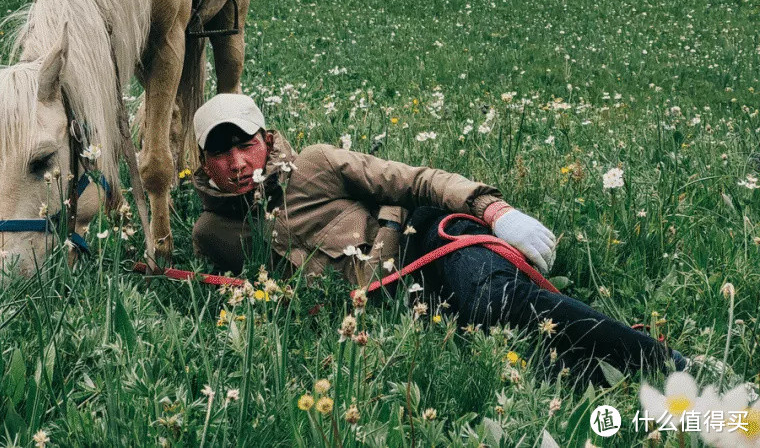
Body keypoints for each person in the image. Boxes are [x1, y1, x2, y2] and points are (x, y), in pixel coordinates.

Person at [190, 93, 686, 383]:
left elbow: (417, 180)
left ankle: (677, 366)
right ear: (203, 161)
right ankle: (618, 384)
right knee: (507, 354)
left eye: (246, 145)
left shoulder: (316, 164)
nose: (237, 163)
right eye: (220, 152)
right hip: (399, 302)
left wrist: (494, 210)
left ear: (267, 140)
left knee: (494, 303)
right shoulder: (214, 233)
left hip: (426, 238)